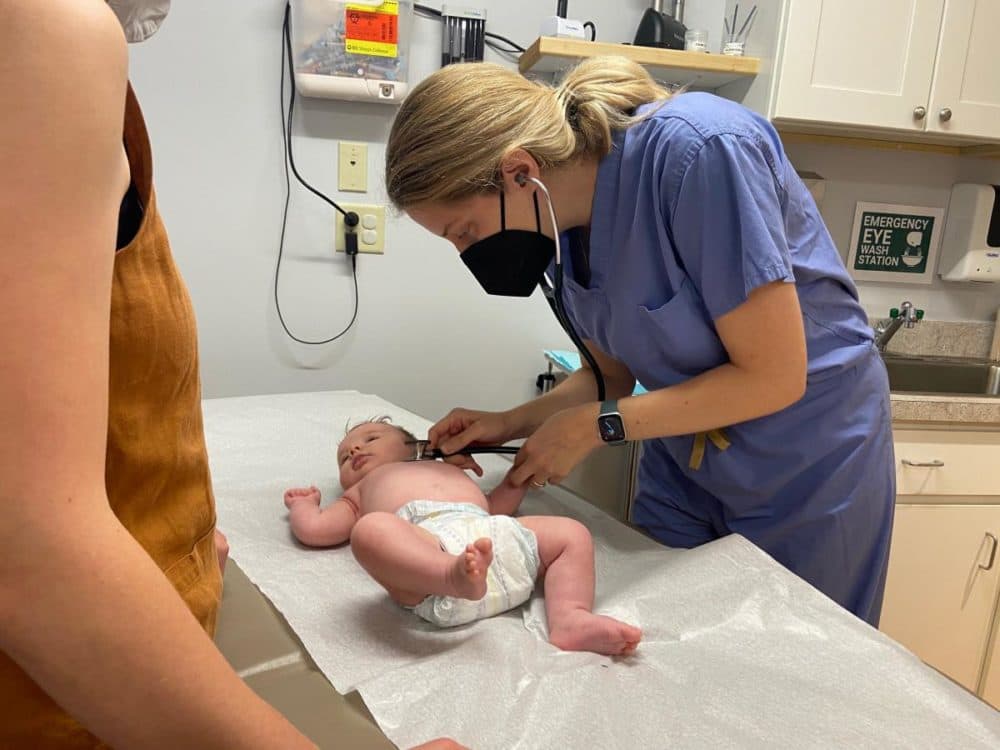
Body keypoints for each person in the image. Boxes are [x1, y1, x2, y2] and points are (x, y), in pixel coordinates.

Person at [0, 2, 461, 748]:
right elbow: (27, 547)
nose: (357, 449)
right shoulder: (43, 30)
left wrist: (180, 544)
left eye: (375, 436)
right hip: (70, 705)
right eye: (352, 446)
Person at [383, 58, 896, 627]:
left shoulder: (701, 153)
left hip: (804, 461)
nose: (467, 255)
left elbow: (772, 375)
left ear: (520, 172)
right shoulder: (559, 229)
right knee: (663, 641)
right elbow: (608, 379)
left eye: (465, 232)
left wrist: (596, 427)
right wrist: (507, 423)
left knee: (798, 661)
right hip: (683, 454)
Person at [284, 418, 642, 655]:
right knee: (370, 532)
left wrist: (517, 476)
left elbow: (493, 507)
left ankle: (569, 617)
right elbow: (316, 530)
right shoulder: (361, 492)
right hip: (428, 557)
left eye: (370, 439)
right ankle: (450, 574)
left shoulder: (448, 468)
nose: (355, 451)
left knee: (571, 532)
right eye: (345, 457)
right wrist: (304, 507)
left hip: (489, 541)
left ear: (418, 446)